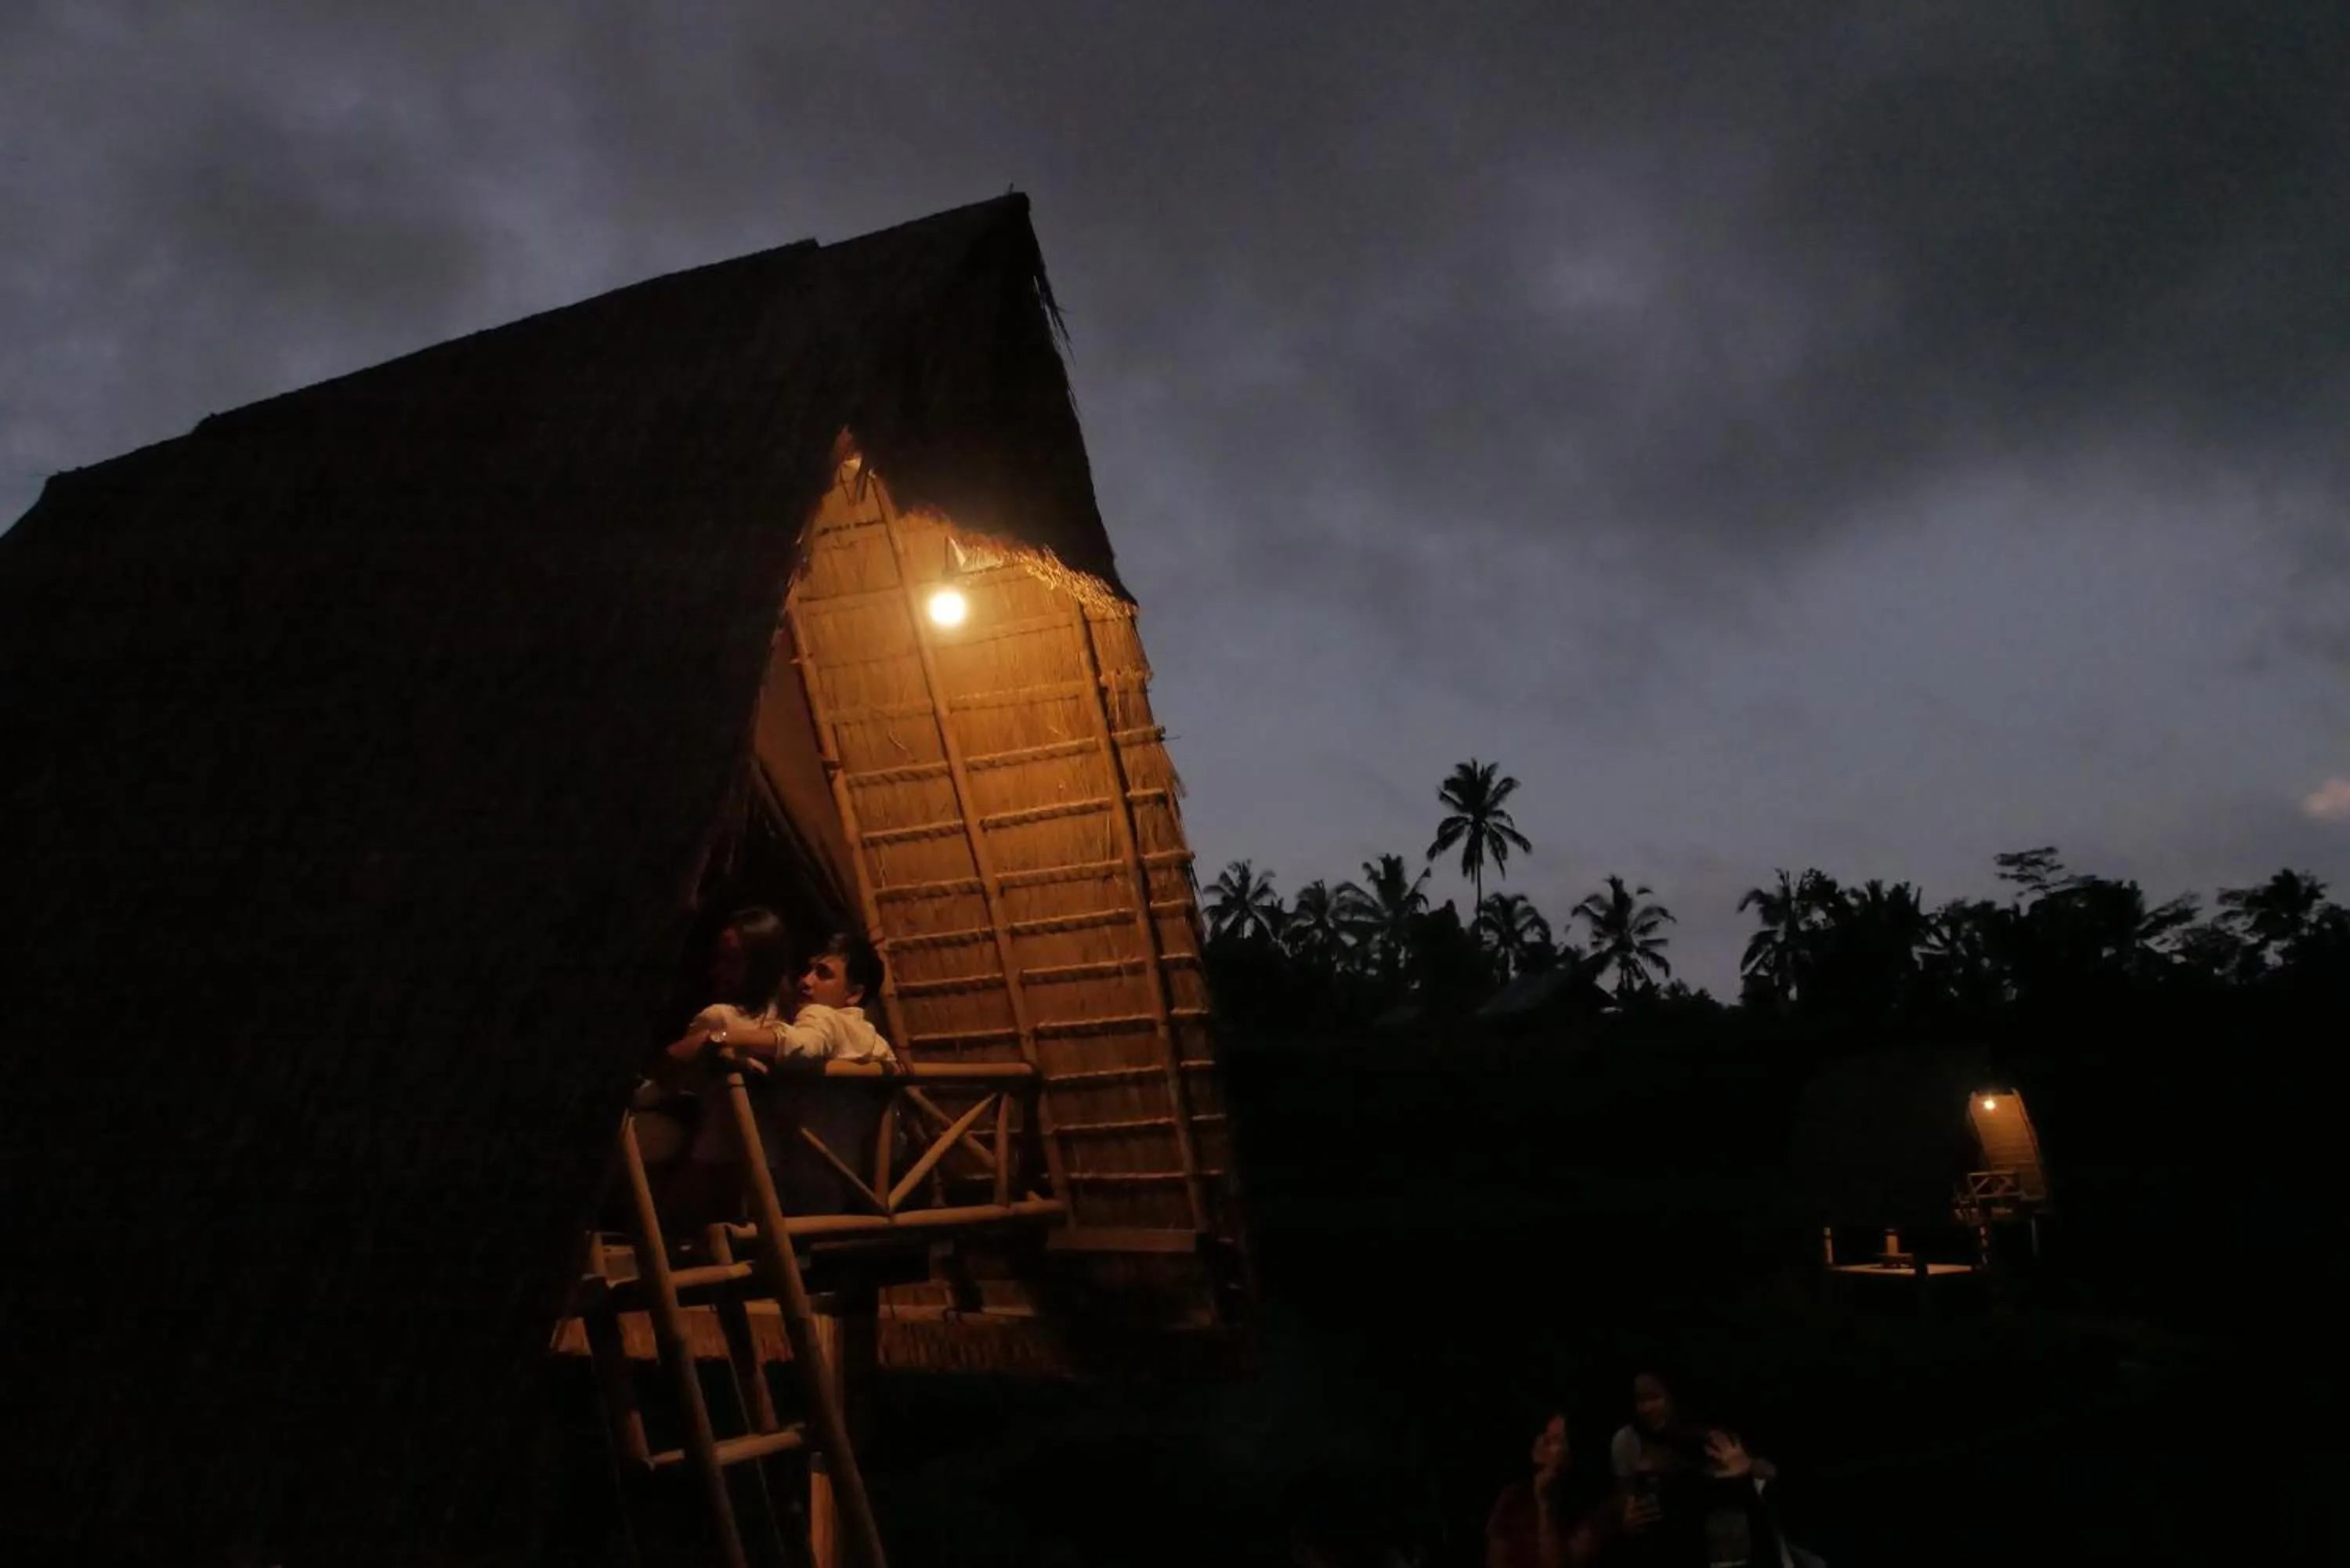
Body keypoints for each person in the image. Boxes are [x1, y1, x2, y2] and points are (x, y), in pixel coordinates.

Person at [662, 931, 897, 1218]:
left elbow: (802, 1045)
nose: (806, 981)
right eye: (808, 969)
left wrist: (720, 1036)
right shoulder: (876, 1044)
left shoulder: (822, 1016)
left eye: (823, 974)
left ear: (854, 994)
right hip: (848, 1187)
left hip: (785, 1186)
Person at [1609, 1371, 1788, 1568]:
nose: (1646, 1408)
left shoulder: (1709, 1439)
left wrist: (1748, 1471)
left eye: (1655, 1397)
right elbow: (1625, 1506)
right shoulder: (1632, 1445)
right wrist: (1624, 1521)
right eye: (1639, 1400)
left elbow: (1769, 1485)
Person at [1488, 1409, 1618, 1568]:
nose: (1541, 1442)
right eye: (1545, 1435)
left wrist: (1546, 1506)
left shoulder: (1599, 1512)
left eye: (1555, 1440)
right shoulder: (1514, 1495)